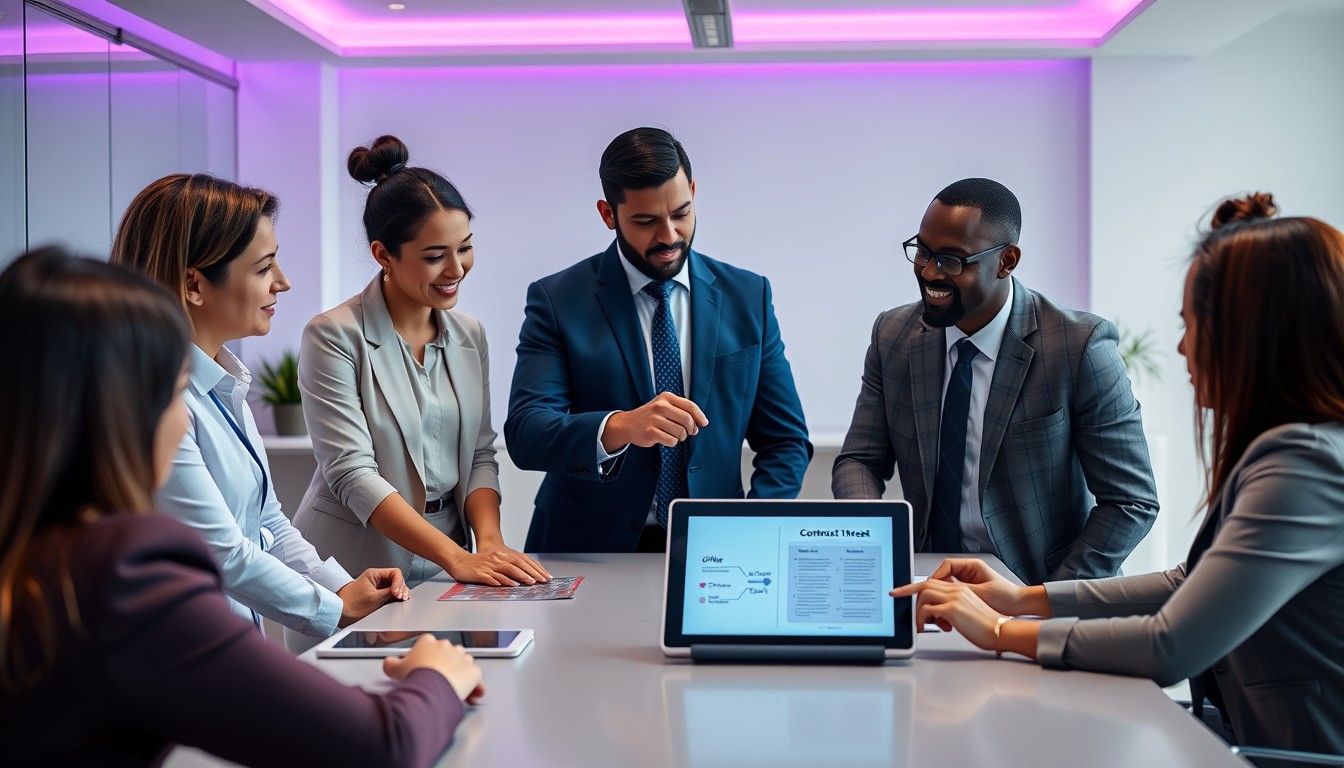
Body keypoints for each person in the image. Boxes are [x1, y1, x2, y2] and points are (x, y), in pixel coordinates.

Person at [893, 193, 1344, 754]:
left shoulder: (1307, 464)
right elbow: (1186, 583)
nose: (1181, 347)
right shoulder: (1295, 447)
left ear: (1253, 334)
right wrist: (1023, 598)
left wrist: (1003, 633)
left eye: (1192, 324)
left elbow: (1168, 646)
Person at [0, 248, 484, 767]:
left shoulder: (33, 558)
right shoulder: (122, 574)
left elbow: (267, 520)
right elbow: (381, 745)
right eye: (176, 389)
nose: (185, 420)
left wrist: (337, 593)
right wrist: (437, 675)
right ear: (124, 408)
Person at [111, 174, 405, 639]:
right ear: (194, 283)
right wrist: (336, 608)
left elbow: (266, 523)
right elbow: (220, 554)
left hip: (230, 643)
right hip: (182, 651)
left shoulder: (223, 384)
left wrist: (342, 586)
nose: (283, 283)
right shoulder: (154, 401)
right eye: (264, 268)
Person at [833, 178, 1158, 584]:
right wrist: (871, 548)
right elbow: (860, 461)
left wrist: (1042, 602)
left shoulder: (1079, 347)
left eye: (952, 260)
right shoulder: (893, 334)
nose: (929, 272)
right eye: (923, 252)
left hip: (1039, 586)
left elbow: (1130, 501)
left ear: (1006, 261)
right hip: (929, 585)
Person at [505, 126, 812, 553]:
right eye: (646, 221)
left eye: (681, 213)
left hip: (719, 549)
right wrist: (620, 426)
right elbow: (527, 433)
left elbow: (786, 441)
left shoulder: (749, 296)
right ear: (608, 214)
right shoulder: (557, 299)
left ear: (692, 190)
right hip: (586, 548)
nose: (668, 236)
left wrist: (751, 525)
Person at [293, 135, 547, 588]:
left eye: (465, 247)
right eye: (435, 257)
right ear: (383, 255)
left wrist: (487, 542)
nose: (456, 270)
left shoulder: (470, 335)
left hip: (451, 557)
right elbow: (351, 473)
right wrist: (456, 558)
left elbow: (480, 455)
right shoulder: (332, 335)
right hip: (357, 563)